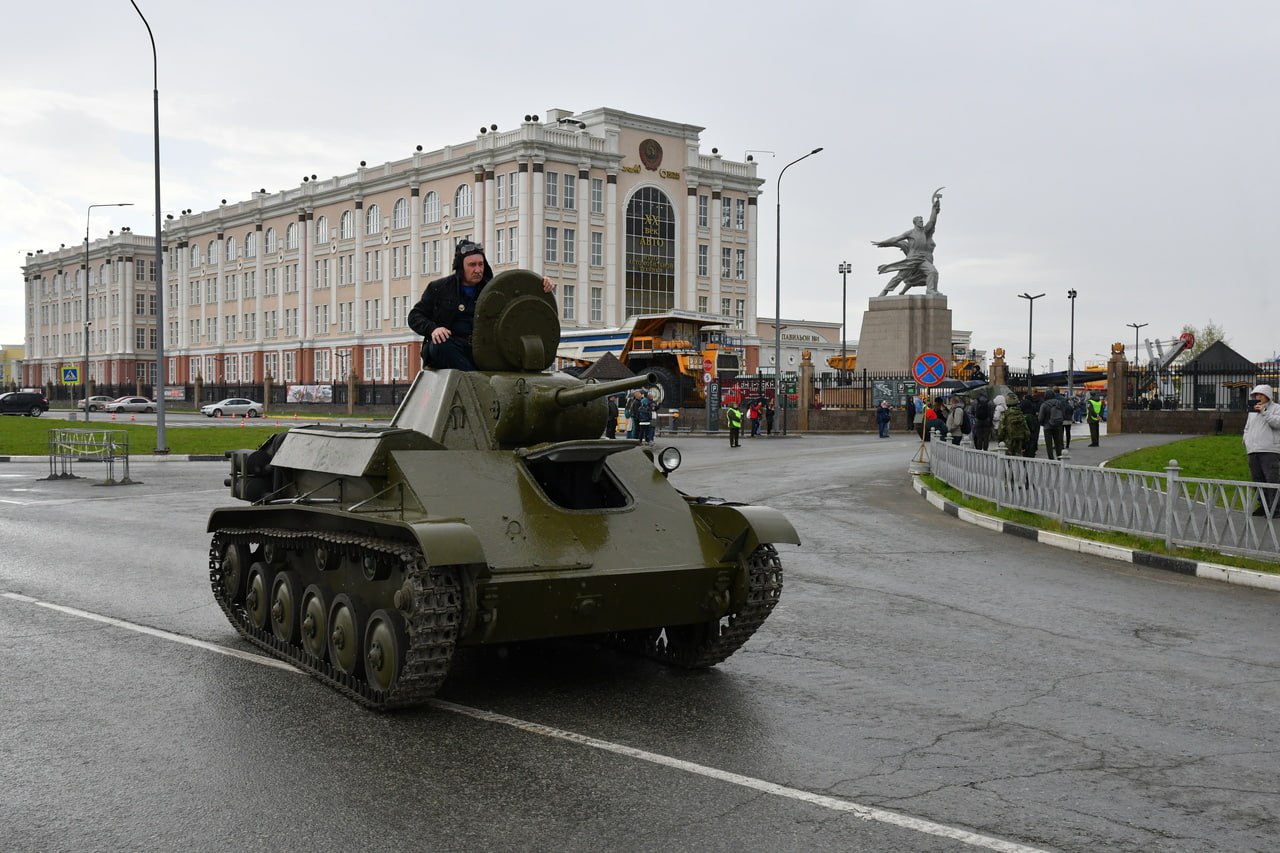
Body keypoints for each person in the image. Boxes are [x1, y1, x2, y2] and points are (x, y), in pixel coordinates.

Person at [407, 240, 556, 371]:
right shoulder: (439, 288)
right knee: (439, 346)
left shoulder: (492, 289)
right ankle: (476, 378)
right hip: (452, 348)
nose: (478, 270)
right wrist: (433, 329)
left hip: (484, 349)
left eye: (480, 264)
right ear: (461, 266)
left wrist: (542, 283)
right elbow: (414, 316)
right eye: (472, 265)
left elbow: (519, 295)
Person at [871, 188, 943, 296]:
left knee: (933, 272)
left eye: (922, 221)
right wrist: (884, 243)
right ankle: (884, 292)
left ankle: (930, 290)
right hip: (912, 260)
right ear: (915, 223)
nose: (921, 222)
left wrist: (934, 210)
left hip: (922, 260)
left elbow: (932, 221)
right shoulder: (910, 233)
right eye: (919, 221)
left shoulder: (924, 231)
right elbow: (895, 239)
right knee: (899, 277)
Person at [1243, 384, 1280, 516]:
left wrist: (1264, 412)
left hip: (1269, 449)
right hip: (1253, 449)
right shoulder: (1252, 411)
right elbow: (1247, 428)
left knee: (1271, 479)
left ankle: (1275, 508)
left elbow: (1277, 423)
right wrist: (1246, 441)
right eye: (1256, 395)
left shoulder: (1276, 408)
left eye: (1261, 395)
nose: (1258, 397)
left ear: (1268, 396)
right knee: (1257, 479)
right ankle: (1263, 505)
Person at [997, 393, 1031, 457]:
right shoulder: (1020, 413)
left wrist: (1000, 439)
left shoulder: (1005, 414)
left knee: (1008, 459)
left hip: (1008, 440)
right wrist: (1026, 440)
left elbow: (1001, 429)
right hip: (1019, 440)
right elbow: (1026, 429)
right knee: (1018, 458)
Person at [1038, 388, 1066, 460]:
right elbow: (1063, 413)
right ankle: (1059, 458)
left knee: (1049, 444)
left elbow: (1040, 417)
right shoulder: (1058, 402)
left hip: (1047, 426)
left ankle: (1051, 459)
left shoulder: (1044, 404)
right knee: (1058, 443)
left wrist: (1042, 423)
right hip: (1058, 425)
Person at [1020, 393, 1041, 457]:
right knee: (1033, 437)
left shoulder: (1023, 404)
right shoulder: (1033, 405)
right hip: (1034, 422)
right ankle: (1033, 450)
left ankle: (1025, 449)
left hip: (1026, 423)